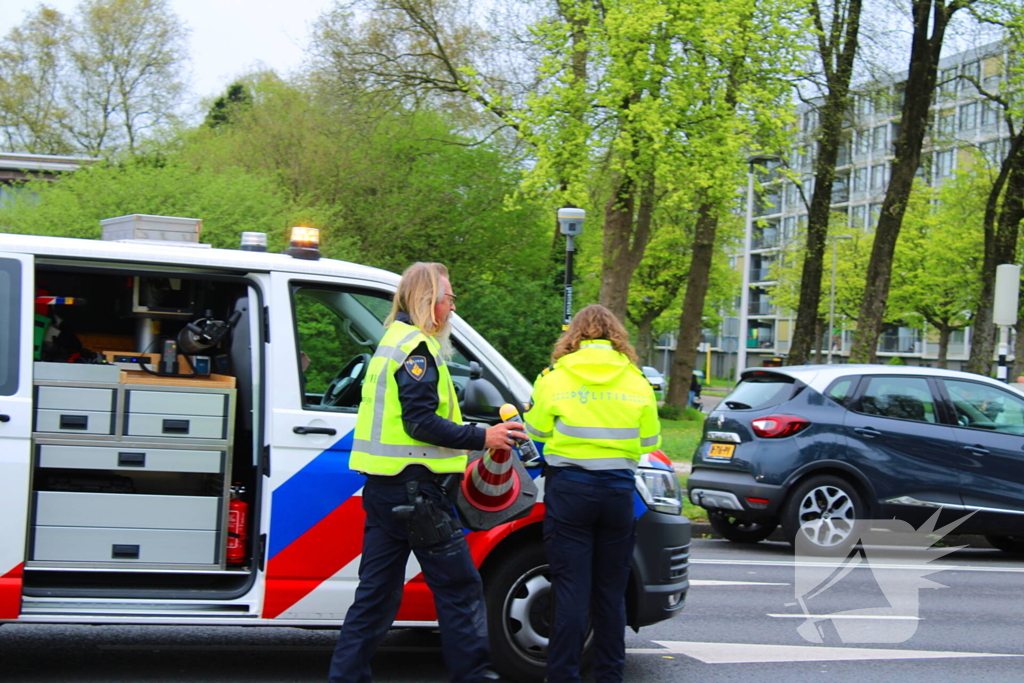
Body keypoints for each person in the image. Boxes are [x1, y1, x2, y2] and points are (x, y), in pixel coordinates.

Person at [328, 262, 523, 683]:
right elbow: (420, 422)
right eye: (449, 299)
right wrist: (483, 437)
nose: (452, 308)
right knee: (459, 589)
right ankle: (472, 676)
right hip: (418, 495)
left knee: (376, 597)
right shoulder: (416, 349)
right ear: (427, 301)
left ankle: (345, 677)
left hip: (385, 490)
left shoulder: (393, 341)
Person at [524, 305, 661, 683]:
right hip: (617, 492)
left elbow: (534, 431)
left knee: (570, 589)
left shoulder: (555, 377)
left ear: (576, 337)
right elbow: (650, 440)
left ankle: (563, 676)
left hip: (570, 491)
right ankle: (609, 676)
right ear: (616, 336)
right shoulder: (636, 380)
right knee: (611, 592)